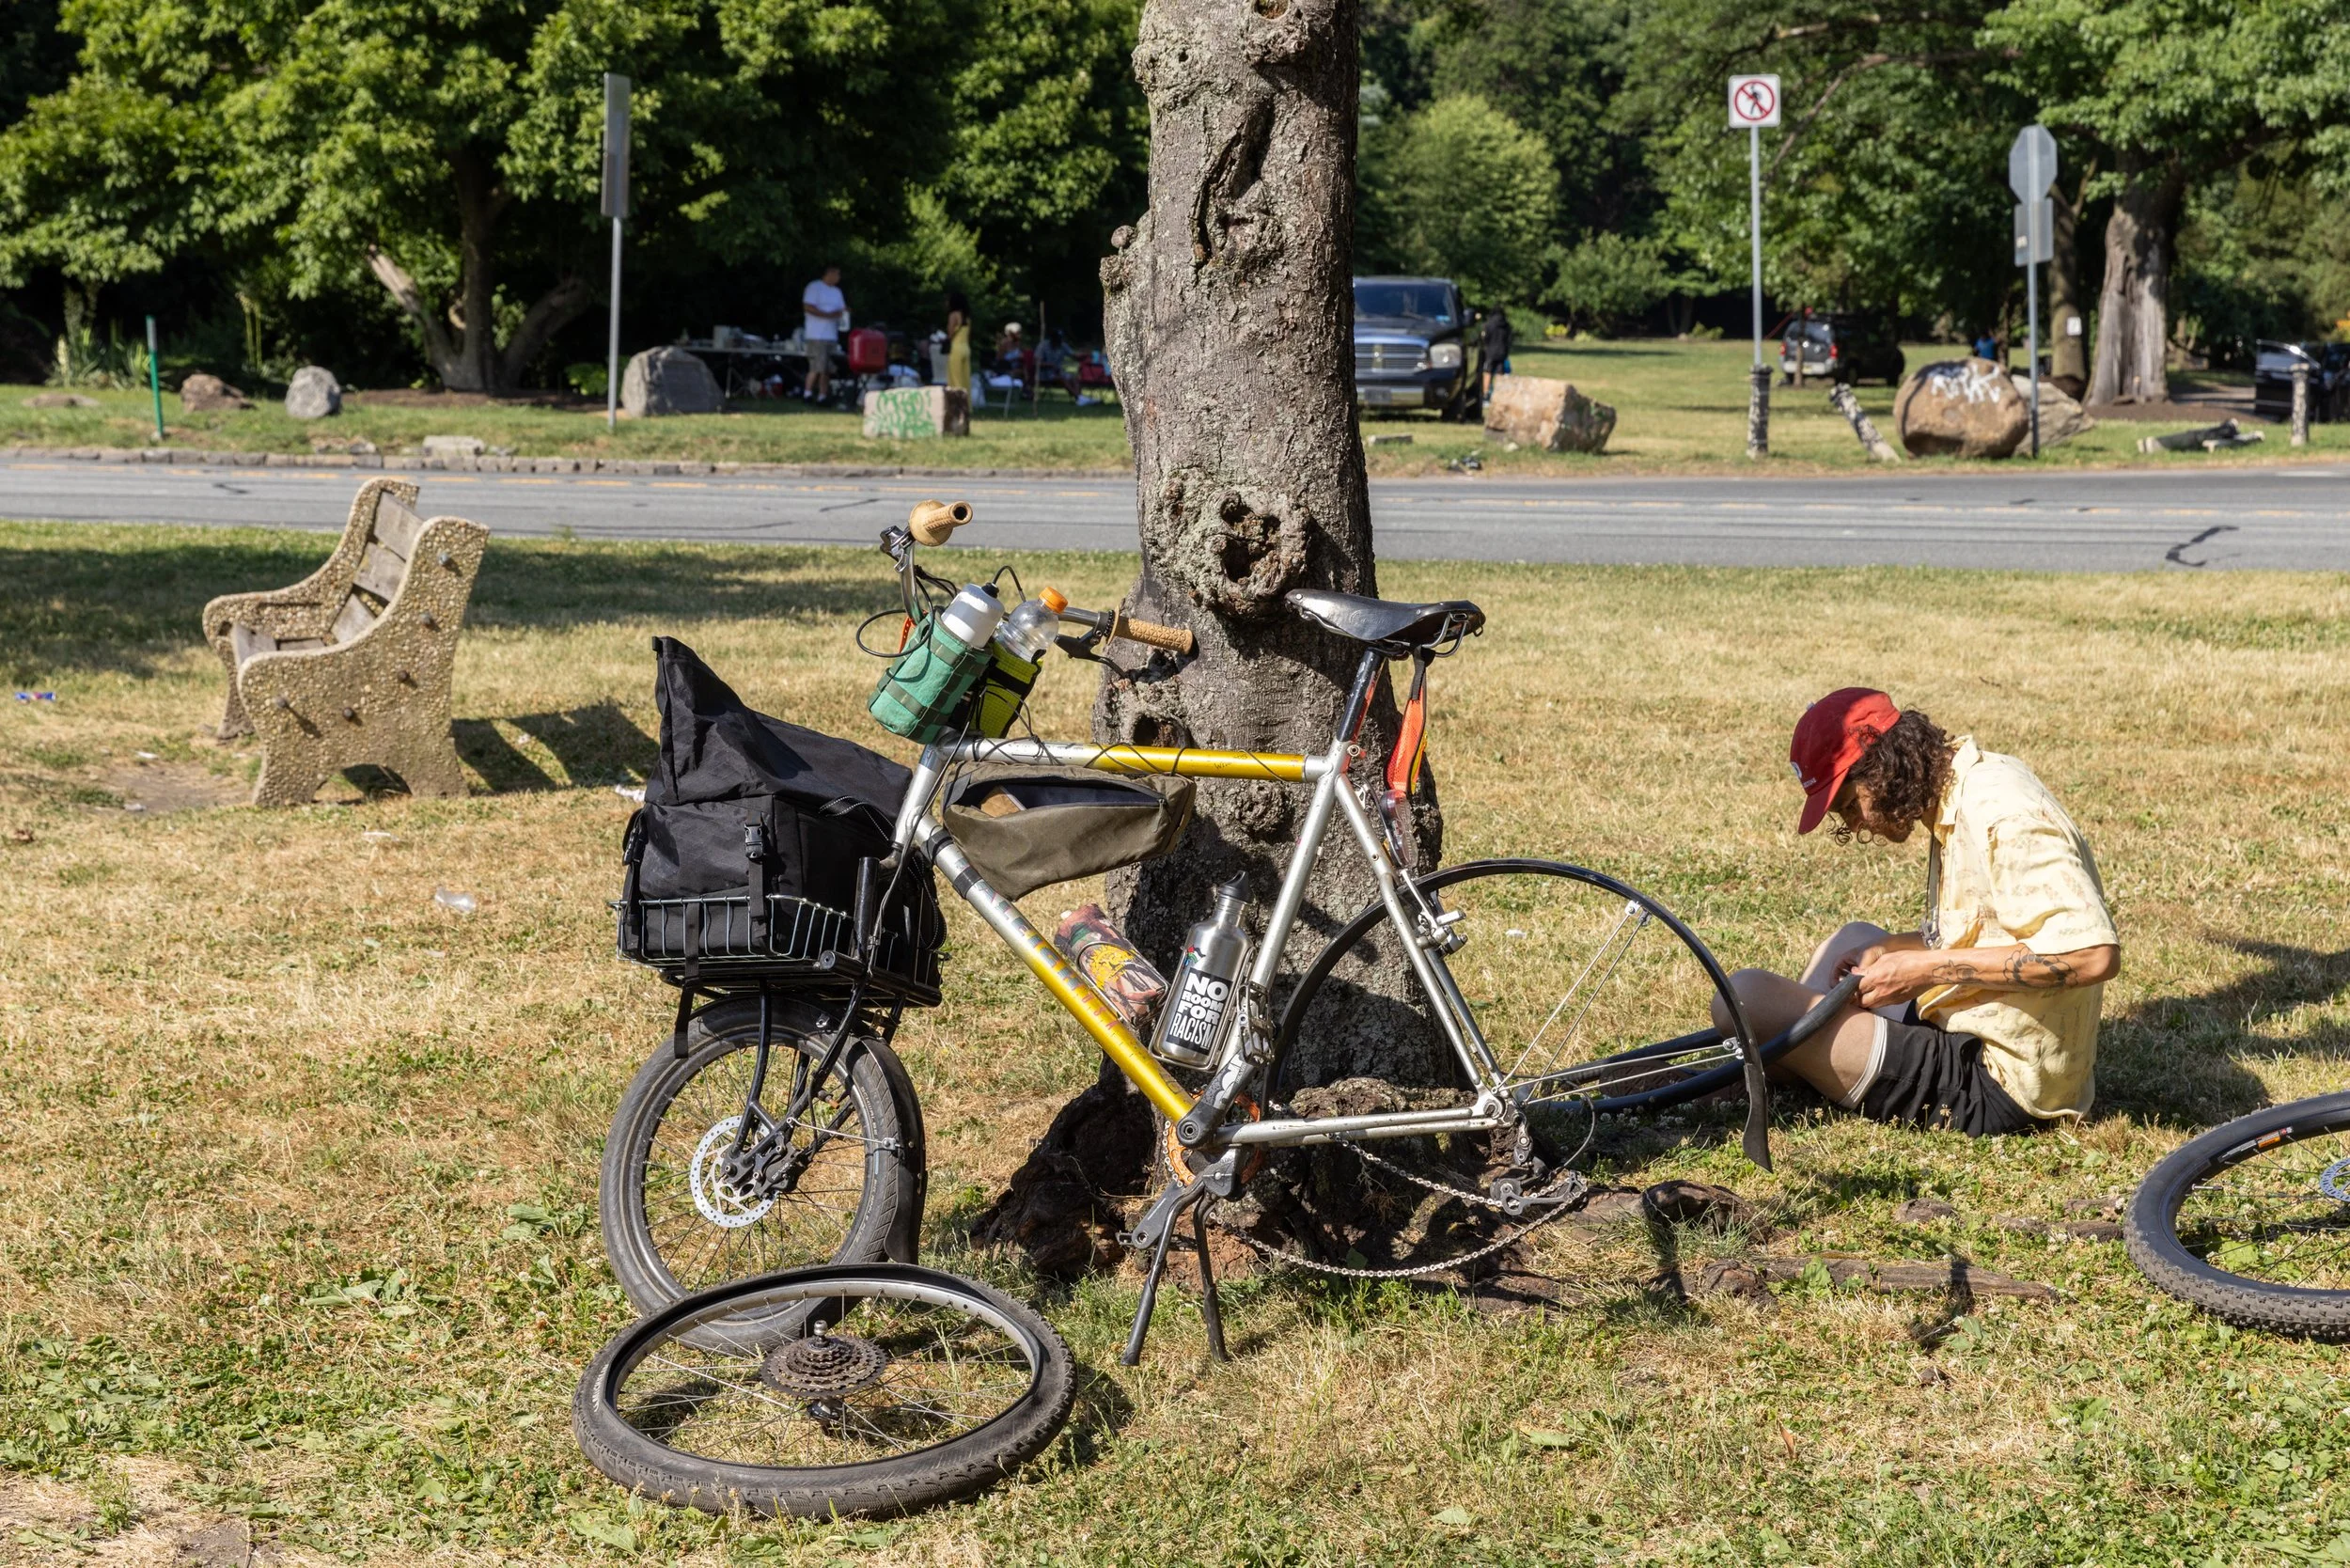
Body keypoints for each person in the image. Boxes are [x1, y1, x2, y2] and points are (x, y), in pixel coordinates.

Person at [1713, 687, 2120, 1136]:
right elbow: (1988, 931)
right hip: (1966, 1022)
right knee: (1852, 941)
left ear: (1885, 765)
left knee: (1744, 997)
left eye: (1850, 805)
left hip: (1996, 1083)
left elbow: (2092, 954)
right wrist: (1893, 950)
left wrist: (1927, 969)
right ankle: (1778, 1059)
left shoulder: (2003, 814)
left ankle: (1769, 1066)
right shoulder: (1966, 785)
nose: (1853, 824)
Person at [802, 264, 847, 401]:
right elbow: (808, 307)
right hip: (817, 335)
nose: (839, 278)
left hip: (831, 335)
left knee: (827, 368)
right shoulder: (814, 287)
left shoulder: (837, 292)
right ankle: (808, 393)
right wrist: (827, 315)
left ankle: (823, 395)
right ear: (829, 274)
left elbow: (842, 309)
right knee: (816, 366)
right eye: (837, 274)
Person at [1480, 307, 1513, 400]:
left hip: (1490, 352)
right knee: (1500, 373)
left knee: (1487, 372)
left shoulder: (1488, 325)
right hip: (1502, 352)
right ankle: (1499, 393)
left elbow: (1485, 338)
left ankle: (1485, 394)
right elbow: (1509, 340)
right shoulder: (1506, 325)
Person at [946, 291, 971, 398]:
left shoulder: (953, 315)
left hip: (956, 348)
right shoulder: (967, 318)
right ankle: (967, 405)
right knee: (965, 379)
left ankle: (958, 405)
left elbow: (950, 332)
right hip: (966, 347)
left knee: (955, 379)